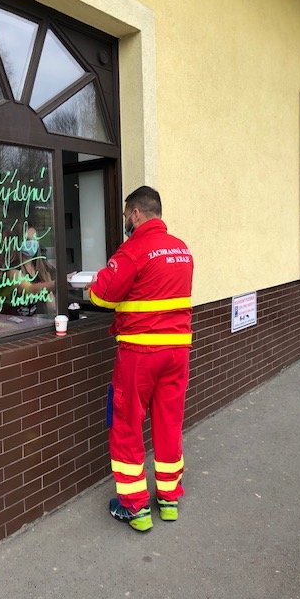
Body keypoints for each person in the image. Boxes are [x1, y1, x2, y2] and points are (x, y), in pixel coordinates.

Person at [88, 186, 193, 532]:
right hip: (178, 352)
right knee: (168, 422)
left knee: (128, 424)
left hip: (140, 353)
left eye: (125, 216)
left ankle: (134, 507)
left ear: (135, 214)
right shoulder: (182, 249)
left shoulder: (134, 249)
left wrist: (95, 281)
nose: (125, 222)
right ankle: (168, 498)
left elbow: (102, 295)